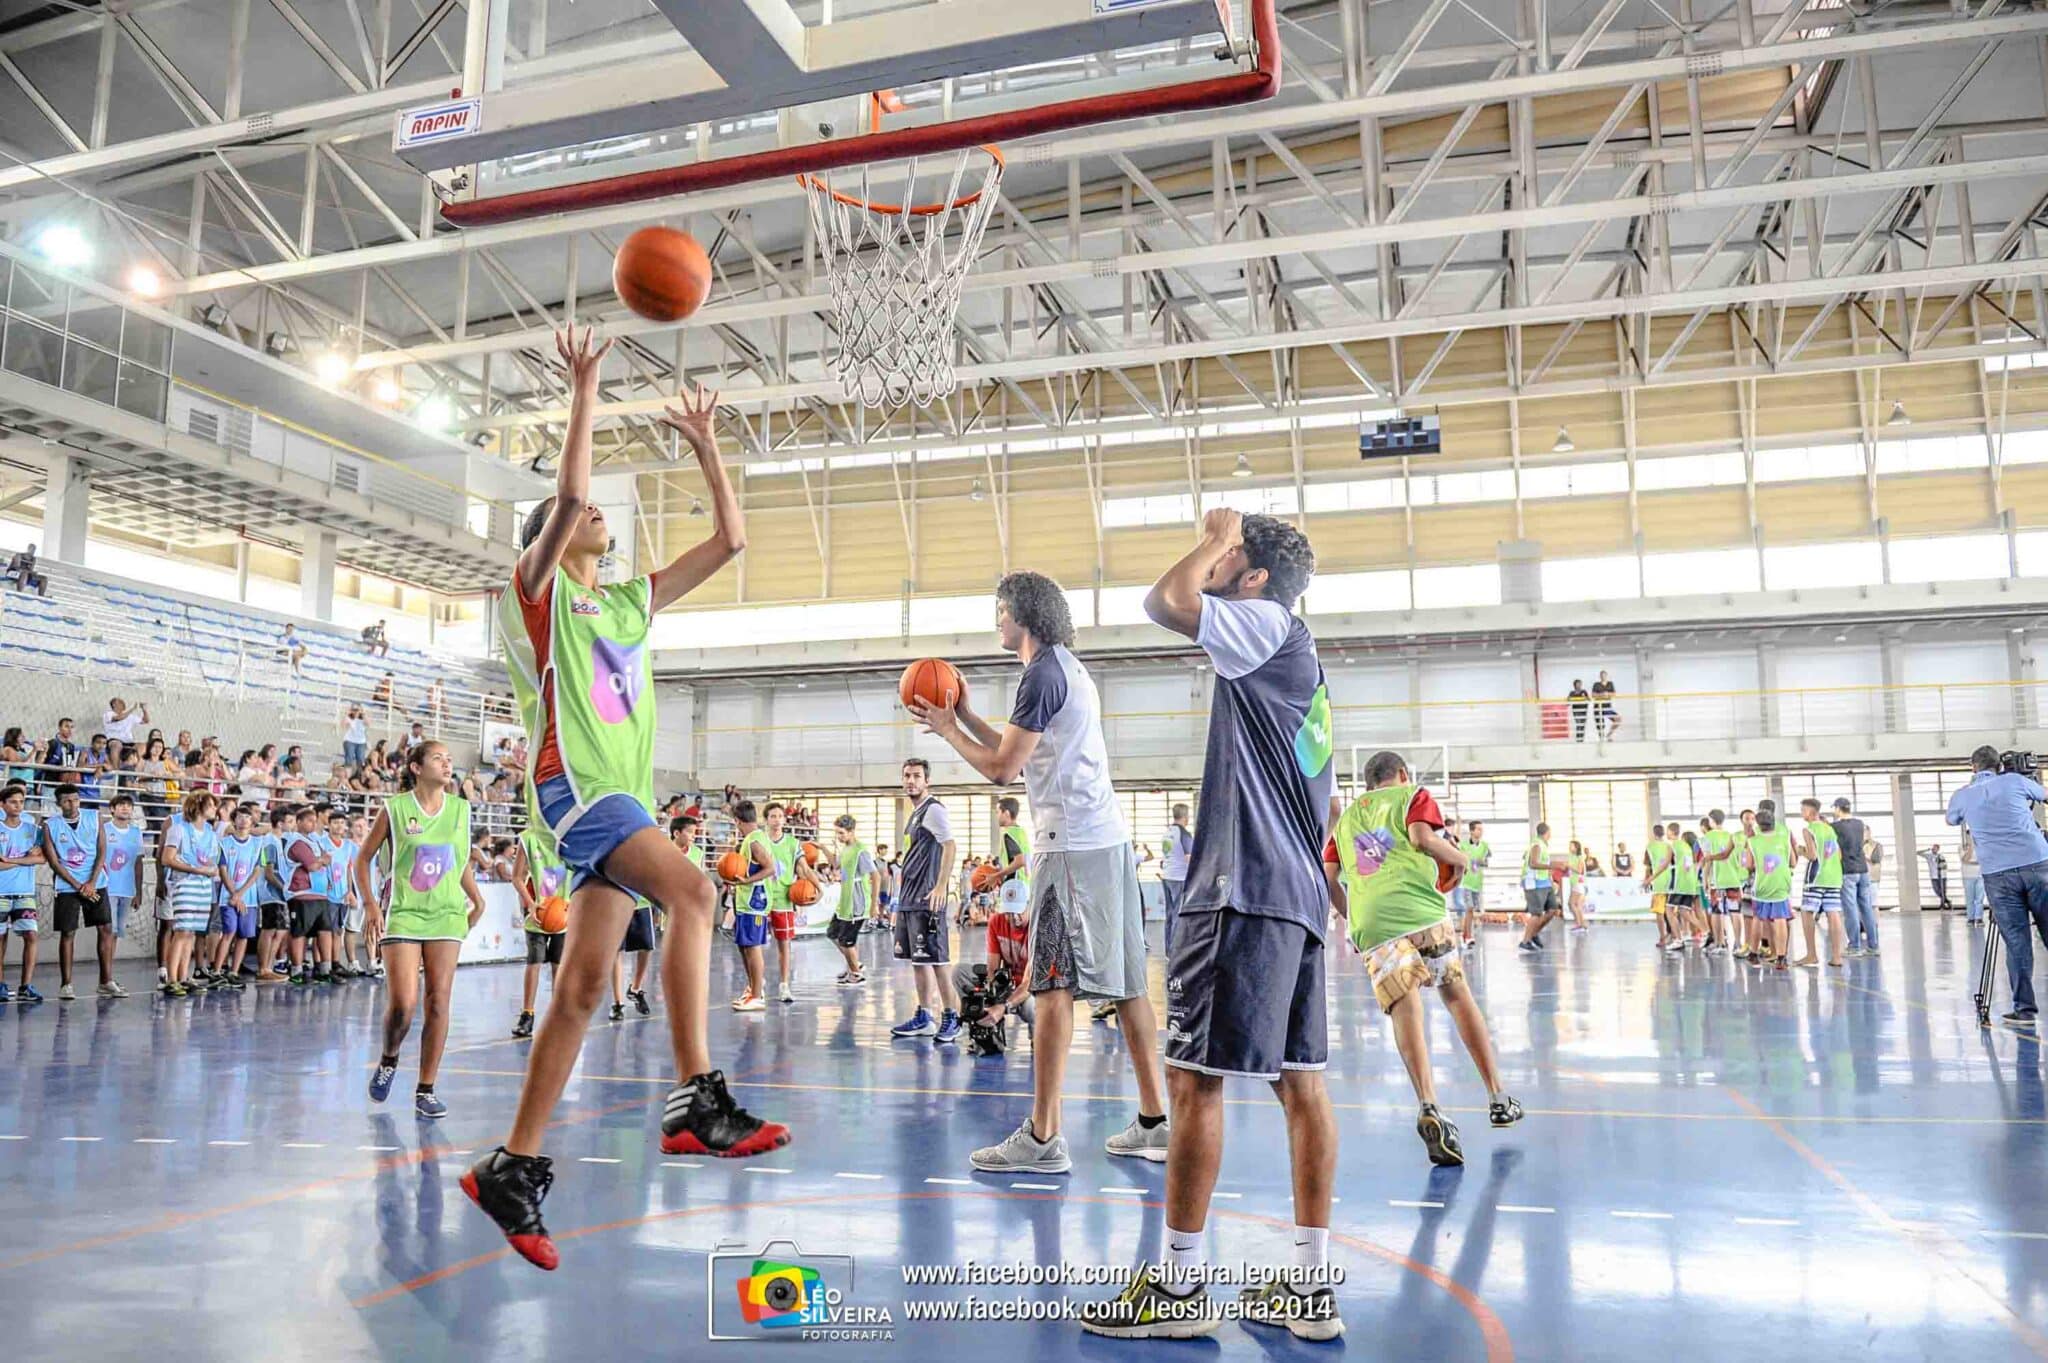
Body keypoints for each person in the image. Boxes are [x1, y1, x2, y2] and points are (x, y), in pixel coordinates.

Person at [465, 330, 785, 1274]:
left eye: (601, 514)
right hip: (576, 789)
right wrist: (587, 385)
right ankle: (697, 1096)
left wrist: (705, 446)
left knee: (579, 988)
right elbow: (564, 499)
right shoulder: (533, 597)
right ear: (552, 544)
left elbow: (730, 541)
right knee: (695, 893)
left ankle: (511, 1166)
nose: (597, 515)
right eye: (582, 517)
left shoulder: (632, 603)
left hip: (618, 797)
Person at [1084, 509, 1337, 1341]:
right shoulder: (1304, 660)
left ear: (1254, 575)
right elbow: (1323, 801)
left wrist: (1211, 537)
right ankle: (1309, 1285)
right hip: (1294, 890)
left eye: (1231, 557)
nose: (1219, 563)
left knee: (1194, 1080)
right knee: (1300, 1084)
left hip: (1242, 888)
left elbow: (1164, 599)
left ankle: (1180, 1288)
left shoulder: (1262, 623)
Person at [909, 569, 1170, 1173]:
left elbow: (1002, 769)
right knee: (1127, 985)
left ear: (1023, 614)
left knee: (1051, 985)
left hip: (1072, 849)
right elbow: (1014, 745)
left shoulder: (1042, 674)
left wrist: (948, 730)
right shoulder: (1062, 669)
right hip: (1101, 845)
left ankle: (1044, 1137)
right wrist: (968, 716)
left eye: (1000, 611)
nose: (996, 621)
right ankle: (1155, 1122)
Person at [1327, 751, 1523, 1168]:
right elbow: (1421, 838)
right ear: (1401, 774)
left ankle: (1429, 1104)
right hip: (1421, 913)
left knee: (1406, 1006)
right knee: (1456, 996)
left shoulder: (1345, 822)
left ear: (1367, 782)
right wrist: (1460, 858)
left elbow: (1328, 877)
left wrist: (1353, 917)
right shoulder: (1412, 795)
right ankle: (1498, 1096)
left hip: (1373, 926)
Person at [359, 741, 486, 1119]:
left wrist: (477, 899)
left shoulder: (461, 810)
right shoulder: (395, 809)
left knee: (439, 1001)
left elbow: (457, 860)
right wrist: (369, 905)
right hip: (404, 912)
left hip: (447, 914)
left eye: (449, 759)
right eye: (437, 758)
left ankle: (426, 1088)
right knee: (404, 1004)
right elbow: (362, 858)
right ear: (415, 767)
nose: (447, 764)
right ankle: (389, 1057)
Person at [1947, 746, 2048, 1026]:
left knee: (2017, 943)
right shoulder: (2015, 781)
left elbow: (1951, 819)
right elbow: (2044, 795)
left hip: (1998, 875)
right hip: (2039, 865)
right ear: (1999, 766)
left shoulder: (1963, 795)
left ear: (1973, 767)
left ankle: (2025, 1010)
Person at [887, 758, 963, 1043]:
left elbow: (950, 845)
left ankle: (951, 1018)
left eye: (916, 776)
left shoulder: (934, 810)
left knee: (938, 960)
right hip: (909, 901)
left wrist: (942, 885)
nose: (910, 781)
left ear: (926, 780)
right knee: (918, 962)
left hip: (926, 900)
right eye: (906, 775)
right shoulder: (915, 814)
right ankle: (924, 1016)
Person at [43, 782, 109, 1002]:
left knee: (105, 928)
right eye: (67, 800)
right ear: (59, 803)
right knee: (68, 932)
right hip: (67, 885)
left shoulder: (94, 817)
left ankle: (106, 981)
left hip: (96, 882)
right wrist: (77, 884)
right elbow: (54, 862)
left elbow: (102, 852)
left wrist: (91, 882)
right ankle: (66, 984)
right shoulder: (50, 825)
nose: (72, 803)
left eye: (75, 799)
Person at [512, 822, 570, 1039]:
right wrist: (530, 903)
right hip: (537, 913)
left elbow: (581, 875)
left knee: (559, 966)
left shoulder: (570, 837)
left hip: (563, 912)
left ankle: (558, 1016)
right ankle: (527, 1014)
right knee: (534, 962)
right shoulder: (528, 838)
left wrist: (573, 905)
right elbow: (516, 877)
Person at [160, 791, 221, 996]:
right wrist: (196, 870)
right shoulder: (178, 830)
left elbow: (211, 861)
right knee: (182, 932)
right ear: (199, 806)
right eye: (211, 805)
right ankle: (172, 979)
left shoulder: (211, 833)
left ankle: (185, 977)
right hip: (185, 884)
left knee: (192, 933)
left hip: (204, 886)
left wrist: (210, 870)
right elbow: (167, 859)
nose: (215, 809)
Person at [206, 804, 262, 987]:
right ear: (234, 820)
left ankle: (234, 971)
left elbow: (257, 871)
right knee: (228, 931)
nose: (244, 820)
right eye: (240, 816)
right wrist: (234, 894)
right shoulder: (225, 843)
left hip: (249, 898)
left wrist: (241, 894)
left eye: (247, 816)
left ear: (252, 821)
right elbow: (222, 870)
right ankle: (217, 969)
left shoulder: (258, 843)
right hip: (228, 898)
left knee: (243, 935)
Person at [282, 804, 335, 986]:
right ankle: (296, 970)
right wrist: (322, 861)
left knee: (325, 931)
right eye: (309, 821)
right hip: (302, 893)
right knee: (299, 932)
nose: (313, 824)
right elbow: (312, 865)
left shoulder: (314, 841)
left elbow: (325, 860)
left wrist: (321, 861)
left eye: (314, 820)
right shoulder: (297, 842)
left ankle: (324, 970)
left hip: (320, 893)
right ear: (299, 822)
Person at [0, 784, 43, 1002]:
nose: (18, 805)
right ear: (2, 805)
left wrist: (13, 860)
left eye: (21, 801)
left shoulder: (32, 829)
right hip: (1, 892)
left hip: (25, 892)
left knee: (31, 935)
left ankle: (26, 985)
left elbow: (42, 858)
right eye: (13, 802)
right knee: (1, 938)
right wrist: (26, 859)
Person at [826, 814, 875, 986]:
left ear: (851, 831)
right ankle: (855, 964)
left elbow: (876, 875)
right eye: (837, 833)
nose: (839, 837)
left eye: (841, 833)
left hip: (857, 902)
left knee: (847, 940)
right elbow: (835, 864)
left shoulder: (860, 851)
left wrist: (874, 904)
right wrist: (822, 848)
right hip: (845, 902)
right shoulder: (845, 849)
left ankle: (856, 973)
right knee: (832, 933)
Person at [1750, 802, 1795, 970]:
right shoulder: (1785, 834)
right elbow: (1792, 860)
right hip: (1782, 881)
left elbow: (1747, 863)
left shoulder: (1753, 840)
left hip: (1761, 883)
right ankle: (1782, 958)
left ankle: (1754, 953)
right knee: (1781, 918)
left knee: (1758, 918)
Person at [1833, 797, 1877, 957]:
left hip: (1848, 871)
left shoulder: (1835, 827)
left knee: (1850, 909)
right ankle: (1873, 945)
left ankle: (1855, 946)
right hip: (1863, 870)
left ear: (1838, 808)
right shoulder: (1859, 823)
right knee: (1866, 907)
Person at [325, 809, 363, 977]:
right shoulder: (323, 842)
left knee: (339, 931)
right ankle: (326, 965)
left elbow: (349, 869)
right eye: (335, 822)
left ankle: (336, 963)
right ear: (328, 825)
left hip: (342, 895)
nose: (339, 826)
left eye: (341, 822)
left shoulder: (348, 846)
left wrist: (349, 891)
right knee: (328, 931)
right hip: (328, 895)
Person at [1701, 809, 1742, 954]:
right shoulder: (1732, 836)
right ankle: (1738, 944)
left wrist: (1705, 879)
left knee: (1717, 913)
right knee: (1735, 912)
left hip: (1717, 881)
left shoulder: (1707, 837)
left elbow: (1707, 860)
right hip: (1733, 879)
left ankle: (1720, 944)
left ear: (1711, 820)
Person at [1518, 821, 1561, 952]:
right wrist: (1552, 866)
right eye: (1550, 832)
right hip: (1534, 883)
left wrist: (1551, 874)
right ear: (1547, 833)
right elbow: (1533, 863)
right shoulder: (1536, 845)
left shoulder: (1543, 845)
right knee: (1536, 913)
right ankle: (1525, 941)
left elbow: (1541, 862)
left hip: (1544, 882)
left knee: (1553, 909)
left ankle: (1534, 933)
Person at [1160, 803, 1193, 954]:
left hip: (1167, 877)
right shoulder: (1184, 834)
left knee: (1169, 914)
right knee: (1178, 914)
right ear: (1185, 817)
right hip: (1179, 878)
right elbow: (1189, 858)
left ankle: (1168, 950)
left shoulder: (1167, 832)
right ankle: (1176, 951)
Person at [1456, 820, 1489, 948]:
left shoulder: (1485, 846)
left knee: (1472, 911)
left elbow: (1486, 862)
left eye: (1482, 829)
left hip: (1477, 883)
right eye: (1478, 829)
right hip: (1465, 882)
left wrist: (1480, 862)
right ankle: (1467, 937)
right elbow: (1459, 860)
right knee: (1469, 908)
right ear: (1471, 831)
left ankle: (1465, 935)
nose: (1481, 832)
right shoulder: (1463, 845)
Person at [1962, 830, 1986, 926]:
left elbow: (1984, 860)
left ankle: (1979, 918)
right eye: (1969, 836)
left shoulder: (1981, 847)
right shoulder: (1962, 847)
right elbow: (1965, 860)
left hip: (1980, 876)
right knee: (1970, 899)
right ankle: (1970, 918)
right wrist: (1971, 846)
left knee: (1980, 898)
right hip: (1968, 876)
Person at [1921, 842, 1953, 910]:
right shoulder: (1929, 856)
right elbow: (1917, 853)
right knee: (1936, 890)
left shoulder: (1941, 856)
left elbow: (1944, 866)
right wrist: (1926, 849)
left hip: (1941, 876)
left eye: (1935, 848)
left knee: (1942, 890)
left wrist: (1942, 870)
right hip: (1933, 876)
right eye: (1933, 848)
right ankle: (1947, 901)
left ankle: (1942, 905)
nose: (1933, 849)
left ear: (1938, 849)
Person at [1591, 669, 1619, 738]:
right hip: (1598, 707)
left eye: (1604, 675)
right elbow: (1593, 695)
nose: (1603, 677)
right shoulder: (1596, 684)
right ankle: (1601, 739)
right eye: (1601, 675)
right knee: (1600, 726)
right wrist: (1602, 694)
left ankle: (1609, 735)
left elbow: (1614, 694)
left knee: (1618, 719)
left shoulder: (1610, 683)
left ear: (1606, 676)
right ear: (1600, 677)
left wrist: (1608, 693)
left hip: (1607, 707)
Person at [342, 705, 370, 770]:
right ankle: (348, 773)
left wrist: (363, 713)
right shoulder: (349, 718)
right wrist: (347, 714)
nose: (355, 712)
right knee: (349, 758)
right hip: (350, 740)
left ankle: (358, 774)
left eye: (357, 710)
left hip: (361, 742)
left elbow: (368, 724)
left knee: (360, 760)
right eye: (354, 710)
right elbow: (343, 725)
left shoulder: (363, 719)